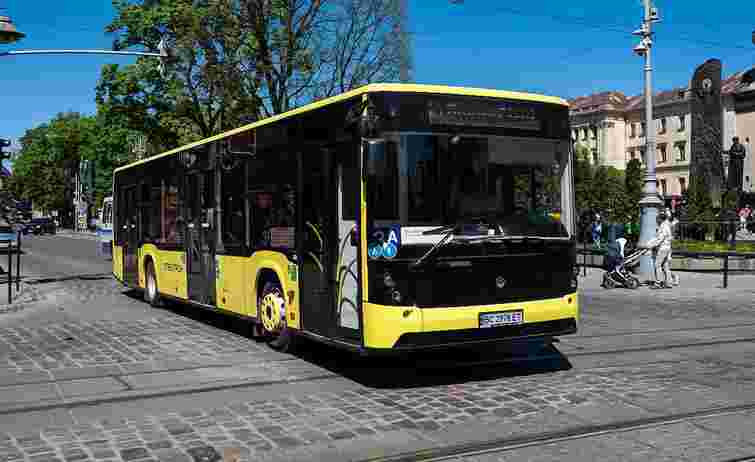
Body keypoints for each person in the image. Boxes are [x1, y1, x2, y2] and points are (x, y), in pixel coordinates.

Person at [639, 211, 673, 289]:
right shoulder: (664, 226)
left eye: (657, 219)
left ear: (661, 219)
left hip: (662, 249)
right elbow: (656, 238)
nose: (656, 220)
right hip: (666, 248)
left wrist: (649, 246)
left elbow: (659, 240)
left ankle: (658, 283)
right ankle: (668, 282)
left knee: (657, 265)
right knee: (665, 266)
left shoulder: (664, 227)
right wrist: (648, 244)